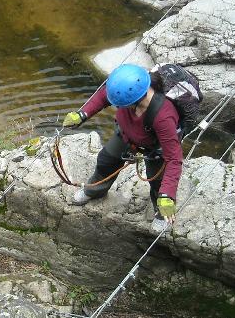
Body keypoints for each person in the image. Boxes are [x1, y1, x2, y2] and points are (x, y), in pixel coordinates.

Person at [63, 63, 183, 233]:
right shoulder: (128, 90)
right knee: (106, 161)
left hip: (155, 149)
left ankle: (161, 211)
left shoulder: (163, 116)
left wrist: (167, 194)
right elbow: (105, 95)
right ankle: (95, 190)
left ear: (134, 101)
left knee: (158, 181)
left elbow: (174, 159)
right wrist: (83, 114)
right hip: (126, 135)